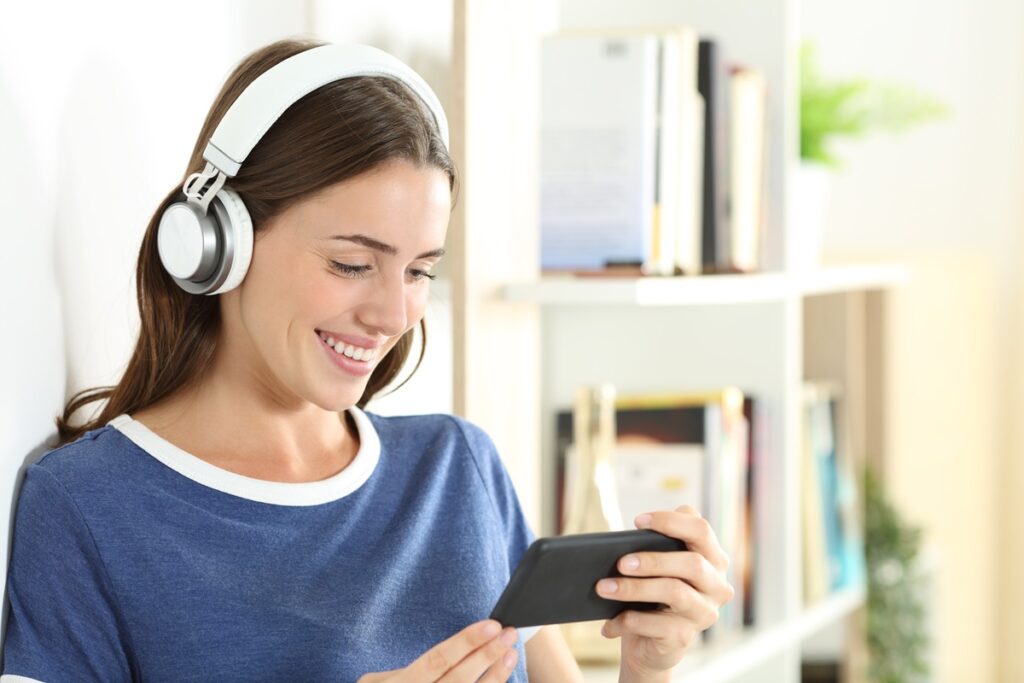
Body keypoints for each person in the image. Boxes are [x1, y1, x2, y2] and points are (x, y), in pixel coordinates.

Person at [0, 38, 733, 683]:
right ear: (217, 243)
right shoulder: (87, 505)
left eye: (419, 270)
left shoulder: (459, 467)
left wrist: (649, 665)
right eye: (353, 263)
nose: (393, 314)